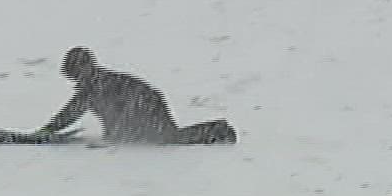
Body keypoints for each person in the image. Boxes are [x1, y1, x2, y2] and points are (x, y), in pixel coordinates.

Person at [32, 46, 239, 145]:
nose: (74, 79)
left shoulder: (99, 84)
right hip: (147, 104)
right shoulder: (93, 84)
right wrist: (49, 129)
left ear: (84, 68)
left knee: (166, 139)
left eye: (75, 73)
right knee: (166, 138)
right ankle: (216, 130)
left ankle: (217, 130)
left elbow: (125, 107)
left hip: (149, 106)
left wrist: (118, 135)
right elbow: (73, 111)